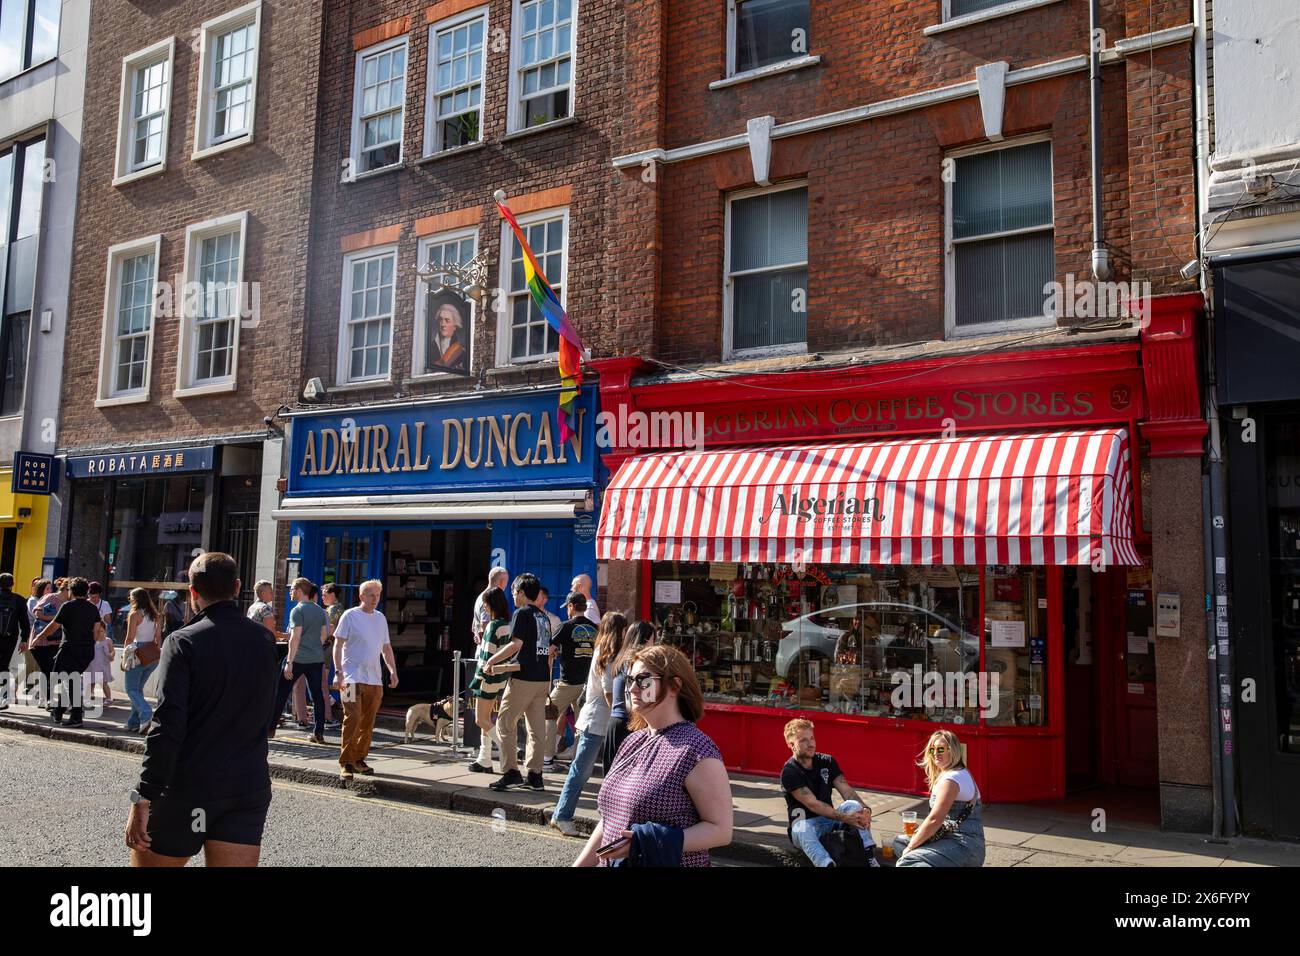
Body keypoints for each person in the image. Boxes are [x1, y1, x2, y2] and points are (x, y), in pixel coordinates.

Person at [124, 552, 279, 867]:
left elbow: (167, 725)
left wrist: (143, 794)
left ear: (192, 592)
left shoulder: (183, 642)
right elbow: (267, 713)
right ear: (237, 587)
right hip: (246, 787)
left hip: (190, 786)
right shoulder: (264, 639)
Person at [575, 644, 732, 867]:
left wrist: (647, 841)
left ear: (675, 685)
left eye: (643, 680)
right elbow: (610, 822)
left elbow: (721, 830)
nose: (631, 689)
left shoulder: (697, 750)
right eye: (630, 680)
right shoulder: (632, 741)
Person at [550, 611, 627, 836]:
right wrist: (624, 714)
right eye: (624, 628)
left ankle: (612, 821)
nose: (626, 632)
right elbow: (608, 692)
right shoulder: (605, 653)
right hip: (596, 721)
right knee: (581, 771)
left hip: (605, 721)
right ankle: (561, 816)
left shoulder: (613, 653)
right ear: (618, 630)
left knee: (612, 772)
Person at [482, 573, 552, 792]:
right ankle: (535, 775)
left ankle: (511, 772)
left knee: (504, 723)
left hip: (523, 679)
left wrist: (491, 660)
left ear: (521, 592)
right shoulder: (544, 617)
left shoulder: (522, 613)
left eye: (514, 592)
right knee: (536, 730)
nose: (513, 596)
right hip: (542, 678)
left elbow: (515, 645)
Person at [779, 718, 878, 866]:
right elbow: (813, 804)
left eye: (812, 738)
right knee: (801, 828)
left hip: (829, 821)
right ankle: (826, 864)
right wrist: (845, 818)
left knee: (853, 804)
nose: (811, 743)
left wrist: (865, 810)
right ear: (791, 745)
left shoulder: (827, 761)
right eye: (804, 740)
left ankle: (869, 856)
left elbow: (848, 792)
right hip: (806, 828)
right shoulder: (789, 771)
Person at [332, 579, 398, 781]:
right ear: (361, 596)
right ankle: (346, 763)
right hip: (351, 677)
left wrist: (393, 671)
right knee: (352, 717)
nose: (374, 599)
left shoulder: (380, 618)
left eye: (377, 595)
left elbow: (386, 648)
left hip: (374, 679)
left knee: (367, 721)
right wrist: (338, 672)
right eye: (371, 595)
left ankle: (359, 758)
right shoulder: (349, 616)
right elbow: (338, 645)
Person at [895, 730, 985, 867]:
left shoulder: (952, 779)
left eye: (941, 749)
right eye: (932, 749)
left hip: (964, 846)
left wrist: (911, 847)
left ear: (952, 750)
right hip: (948, 839)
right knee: (899, 842)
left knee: (907, 860)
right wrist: (919, 833)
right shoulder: (953, 773)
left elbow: (935, 819)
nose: (935, 753)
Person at [271, 578, 331, 744]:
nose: (290, 592)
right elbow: (324, 635)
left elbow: (295, 638)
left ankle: (270, 729)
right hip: (316, 660)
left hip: (297, 659)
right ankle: (318, 733)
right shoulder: (320, 611)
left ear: (299, 590)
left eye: (292, 589)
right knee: (317, 696)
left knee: (281, 693)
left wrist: (289, 662)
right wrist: (313, 647)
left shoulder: (297, 611)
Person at [543, 592, 598, 772]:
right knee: (582, 724)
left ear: (571, 606)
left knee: (548, 714)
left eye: (567, 607)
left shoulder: (565, 626)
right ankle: (579, 762)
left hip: (568, 683)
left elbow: (549, 650)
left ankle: (546, 759)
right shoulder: (595, 628)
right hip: (588, 684)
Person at [466, 586, 511, 773]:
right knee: (487, 718)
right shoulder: (506, 624)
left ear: (491, 604)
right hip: (499, 678)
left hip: (487, 677)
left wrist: (478, 678)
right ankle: (484, 758)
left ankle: (506, 747)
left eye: (485, 603)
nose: (484, 606)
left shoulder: (493, 626)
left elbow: (486, 655)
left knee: (480, 720)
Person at [604, 619, 654, 774]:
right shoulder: (642, 664)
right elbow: (648, 697)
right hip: (633, 723)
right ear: (646, 640)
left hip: (615, 722)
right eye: (653, 639)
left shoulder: (620, 660)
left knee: (612, 777)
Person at [122, 588, 161, 733]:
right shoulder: (155, 614)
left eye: (130, 598)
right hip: (152, 653)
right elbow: (158, 637)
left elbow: (130, 638)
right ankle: (134, 722)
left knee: (131, 688)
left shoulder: (134, 614)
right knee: (137, 689)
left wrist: (126, 654)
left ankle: (146, 715)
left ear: (135, 599)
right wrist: (158, 653)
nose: (130, 600)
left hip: (138, 652)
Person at [0, 573, 31, 711]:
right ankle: (4, 697)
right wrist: (24, 640)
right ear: (12, 584)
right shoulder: (18, 600)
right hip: (10, 637)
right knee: (4, 665)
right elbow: (25, 623)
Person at [320, 583, 344, 726]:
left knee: (322, 682)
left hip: (328, 647)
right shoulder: (335, 609)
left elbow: (329, 630)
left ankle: (328, 712)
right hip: (333, 648)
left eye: (324, 594)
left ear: (332, 594)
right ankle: (333, 705)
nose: (322, 597)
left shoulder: (333, 610)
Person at [428, 297, 469, 373]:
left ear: (455, 325)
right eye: (441, 320)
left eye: (447, 320)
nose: (443, 324)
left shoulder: (462, 351)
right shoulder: (429, 347)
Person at [472, 566, 508, 646]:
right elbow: (486, 625)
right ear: (502, 582)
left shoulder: (480, 597)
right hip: (488, 650)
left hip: (483, 647)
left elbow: (474, 624)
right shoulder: (490, 600)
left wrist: (476, 634)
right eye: (506, 582)